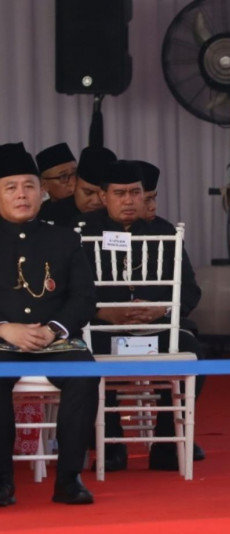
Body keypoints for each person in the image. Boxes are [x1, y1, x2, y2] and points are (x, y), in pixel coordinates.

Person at [80, 160, 204, 472]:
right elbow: (68, 293)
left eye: (135, 193)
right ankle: (110, 444)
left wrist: (161, 308)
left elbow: (191, 290)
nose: (128, 200)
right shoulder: (83, 233)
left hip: (157, 328)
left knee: (193, 351)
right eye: (119, 193)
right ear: (104, 196)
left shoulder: (164, 232)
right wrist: (102, 312)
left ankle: (166, 444)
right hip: (102, 329)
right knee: (81, 356)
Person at [0, 142, 98, 506]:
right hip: (2, 339)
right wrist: (4, 329)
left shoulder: (64, 238)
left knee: (84, 375)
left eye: (29, 186)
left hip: (55, 340)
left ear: (41, 191)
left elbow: (84, 298)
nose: (21, 195)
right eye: (10, 187)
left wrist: (53, 328)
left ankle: (69, 479)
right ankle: (2, 481)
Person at [40, 146, 116, 228]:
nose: (96, 201)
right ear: (75, 184)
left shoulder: (122, 216)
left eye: (104, 195)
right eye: (88, 192)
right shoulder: (48, 215)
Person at [35, 143, 77, 222]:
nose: (73, 182)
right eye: (63, 177)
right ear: (44, 185)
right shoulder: (38, 216)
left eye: (75, 173)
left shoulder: (88, 209)